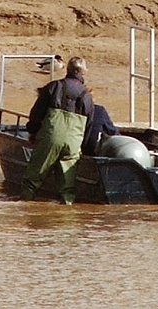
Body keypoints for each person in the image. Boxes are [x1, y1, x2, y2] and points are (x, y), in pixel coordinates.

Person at [21, 56, 95, 205]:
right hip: (73, 141)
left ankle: (25, 205)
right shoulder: (87, 96)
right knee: (67, 188)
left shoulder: (54, 87)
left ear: (67, 69)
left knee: (33, 179)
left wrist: (32, 131)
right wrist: (83, 146)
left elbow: (37, 113)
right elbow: (89, 125)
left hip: (51, 137)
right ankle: (67, 216)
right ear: (84, 72)